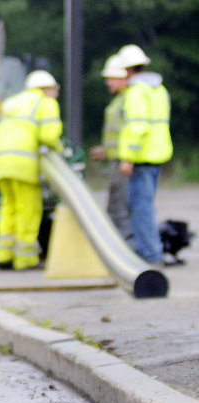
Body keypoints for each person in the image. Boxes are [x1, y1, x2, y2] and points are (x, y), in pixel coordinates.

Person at [0, 70, 63, 270]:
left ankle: (3, 254)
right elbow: (49, 136)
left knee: (8, 207)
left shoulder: (13, 104)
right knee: (28, 209)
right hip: (23, 164)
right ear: (45, 88)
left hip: (2, 163)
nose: (56, 93)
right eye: (54, 89)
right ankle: (25, 259)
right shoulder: (45, 103)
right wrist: (59, 147)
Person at [116, 44, 172, 266]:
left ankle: (149, 255)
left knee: (140, 208)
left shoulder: (136, 92)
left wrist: (128, 157)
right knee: (145, 206)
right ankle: (151, 251)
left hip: (141, 158)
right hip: (158, 154)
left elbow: (138, 128)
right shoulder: (159, 89)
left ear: (127, 70)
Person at [89, 55, 134, 247]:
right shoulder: (120, 100)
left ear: (124, 77)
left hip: (125, 163)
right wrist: (106, 151)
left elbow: (133, 132)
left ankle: (126, 249)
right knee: (116, 207)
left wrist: (128, 159)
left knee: (121, 209)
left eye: (111, 77)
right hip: (119, 160)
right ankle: (120, 248)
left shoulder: (130, 100)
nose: (108, 82)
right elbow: (120, 136)